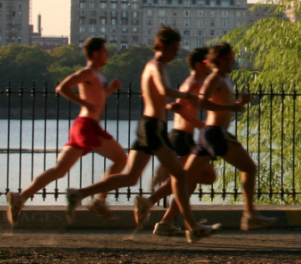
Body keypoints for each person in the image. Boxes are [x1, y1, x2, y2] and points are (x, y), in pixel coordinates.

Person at [65, 26, 219, 243]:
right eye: (173, 48)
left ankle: (79, 193)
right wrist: (187, 95)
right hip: (153, 127)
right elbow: (164, 90)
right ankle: (191, 227)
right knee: (182, 176)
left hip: (147, 126)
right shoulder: (156, 66)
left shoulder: (155, 66)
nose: (176, 53)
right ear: (162, 46)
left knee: (130, 177)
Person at [151, 42, 275, 233]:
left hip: (213, 133)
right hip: (215, 133)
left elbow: (221, 102)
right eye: (231, 59)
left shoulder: (224, 78)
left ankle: (164, 220)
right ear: (222, 61)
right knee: (248, 168)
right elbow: (202, 102)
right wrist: (230, 107)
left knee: (186, 179)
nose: (234, 62)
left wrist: (238, 102)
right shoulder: (214, 78)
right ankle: (249, 215)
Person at [6, 37, 125, 226]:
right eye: (104, 51)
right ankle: (99, 201)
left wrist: (110, 90)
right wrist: (83, 102)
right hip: (86, 126)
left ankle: (20, 198)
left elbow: (96, 99)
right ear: (95, 54)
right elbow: (62, 87)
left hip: (88, 125)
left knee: (60, 170)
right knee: (121, 159)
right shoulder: (87, 72)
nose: (107, 54)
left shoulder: (98, 75)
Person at [149, 47, 219, 237]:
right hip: (182, 138)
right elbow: (181, 110)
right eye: (207, 63)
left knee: (190, 181)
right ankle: (151, 203)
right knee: (202, 177)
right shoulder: (194, 85)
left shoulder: (191, 83)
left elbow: (176, 106)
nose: (210, 66)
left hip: (182, 137)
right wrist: (201, 125)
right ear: (198, 65)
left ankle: (165, 222)